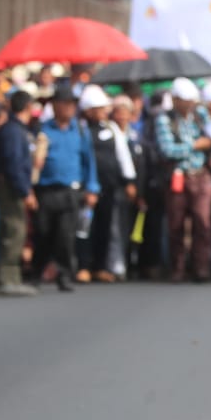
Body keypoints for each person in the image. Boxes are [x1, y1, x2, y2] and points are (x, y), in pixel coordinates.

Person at [35, 83, 99, 291]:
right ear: (54, 106)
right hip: (46, 189)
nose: (68, 109)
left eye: (71, 105)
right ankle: (38, 270)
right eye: (64, 104)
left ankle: (64, 273)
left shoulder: (80, 130)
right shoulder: (43, 129)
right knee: (44, 232)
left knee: (65, 234)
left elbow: (89, 161)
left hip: (70, 190)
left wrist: (92, 188)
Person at [155, 77, 211, 283]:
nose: (189, 105)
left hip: (201, 176)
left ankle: (201, 267)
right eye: (184, 100)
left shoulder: (200, 116)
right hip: (178, 177)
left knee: (202, 223)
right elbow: (168, 150)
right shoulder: (164, 119)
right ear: (174, 100)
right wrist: (195, 145)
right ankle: (178, 268)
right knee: (176, 225)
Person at [82, 85, 137, 282]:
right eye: (99, 108)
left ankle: (101, 266)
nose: (104, 112)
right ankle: (84, 266)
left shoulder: (111, 129)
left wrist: (129, 180)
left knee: (106, 227)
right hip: (87, 188)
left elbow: (123, 155)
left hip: (110, 187)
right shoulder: (81, 129)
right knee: (87, 228)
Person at [0, 89, 38, 296]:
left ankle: (11, 275)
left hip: (12, 185)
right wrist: (24, 190)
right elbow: (13, 163)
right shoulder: (13, 131)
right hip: (11, 187)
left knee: (15, 229)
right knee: (14, 230)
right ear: (28, 107)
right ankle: (7, 277)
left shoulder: (14, 130)